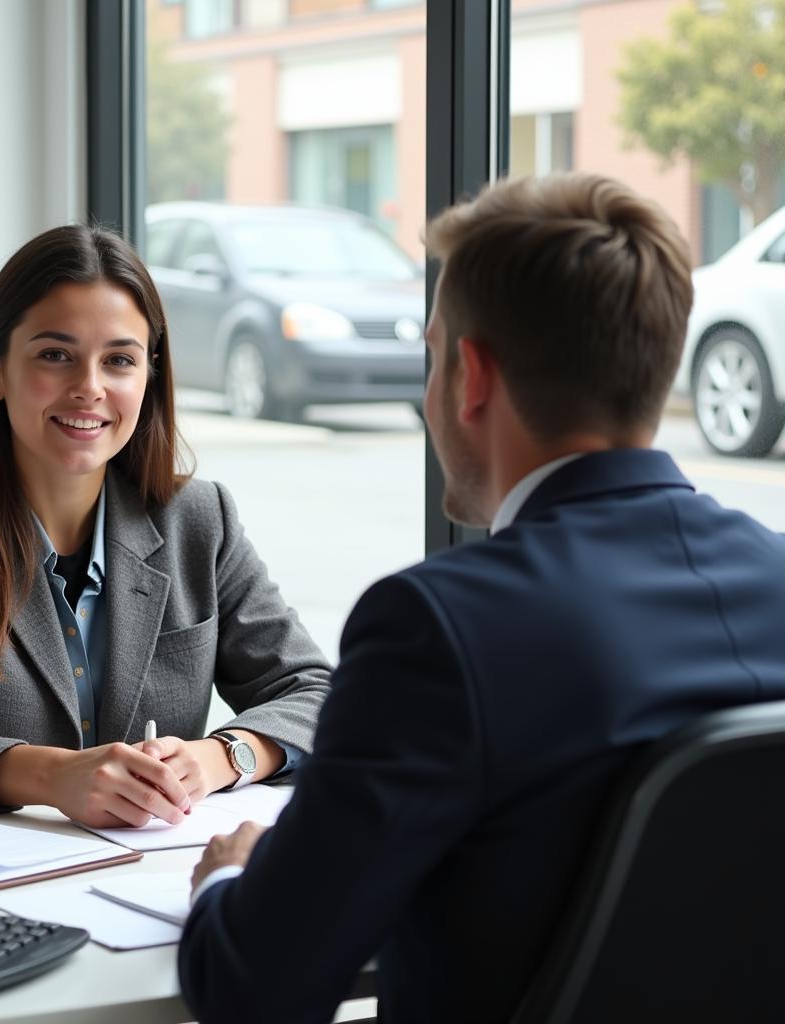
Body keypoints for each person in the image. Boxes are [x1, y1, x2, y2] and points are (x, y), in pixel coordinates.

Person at [177, 173, 785, 1023]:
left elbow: (253, 990)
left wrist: (233, 877)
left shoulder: (440, 630)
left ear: (470, 376)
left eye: (431, 357)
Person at [0, 225, 331, 826]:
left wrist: (222, 756)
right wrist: (52, 775)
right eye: (55, 355)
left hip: (145, 874)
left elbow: (317, 693)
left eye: (119, 360)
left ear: (148, 376)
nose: (89, 388)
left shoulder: (199, 520)